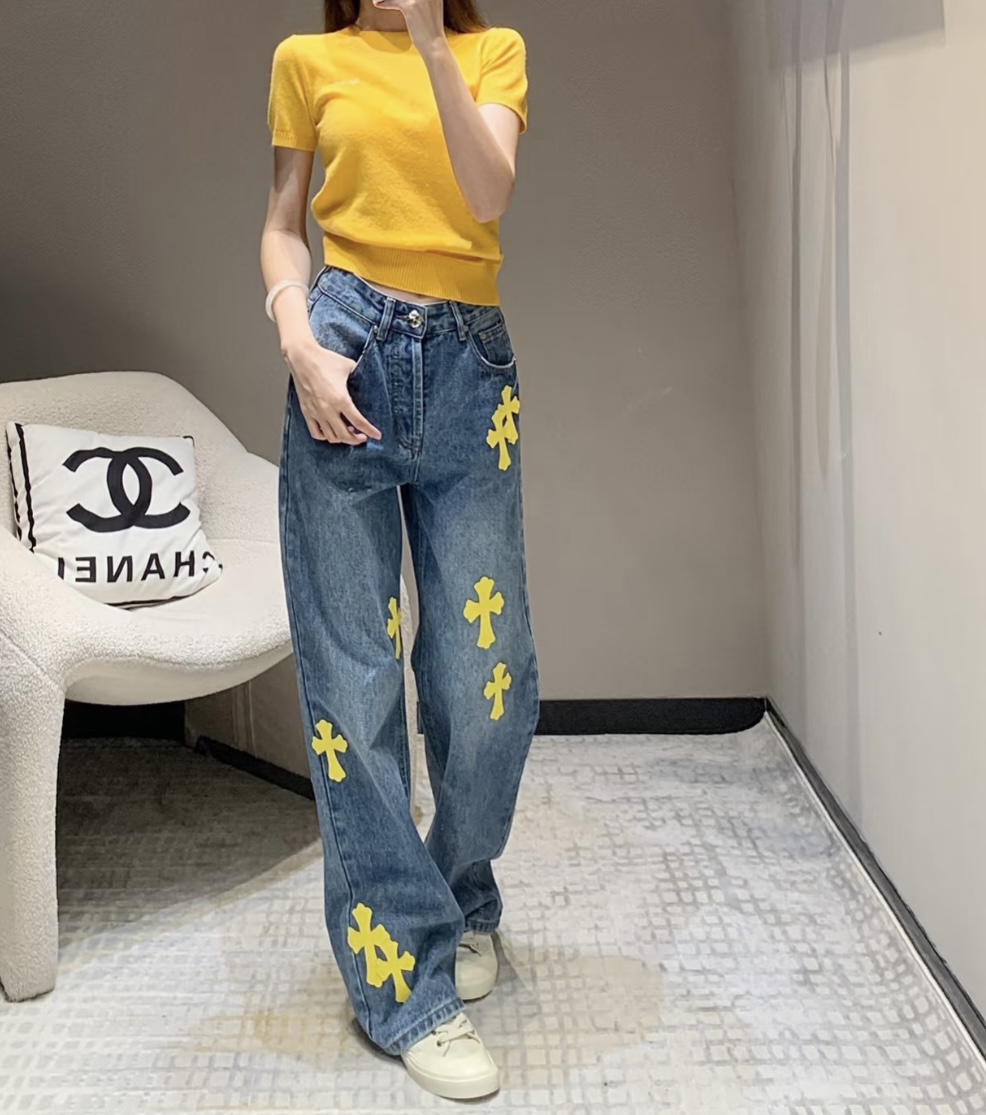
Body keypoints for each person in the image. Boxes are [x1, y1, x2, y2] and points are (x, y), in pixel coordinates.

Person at [259, 0, 539, 1100]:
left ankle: (461, 892)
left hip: (470, 366)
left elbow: (486, 192)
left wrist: (428, 43)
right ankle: (402, 983)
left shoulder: (492, 52)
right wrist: (297, 341)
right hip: (342, 353)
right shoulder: (305, 59)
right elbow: (283, 222)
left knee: (488, 680)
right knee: (353, 687)